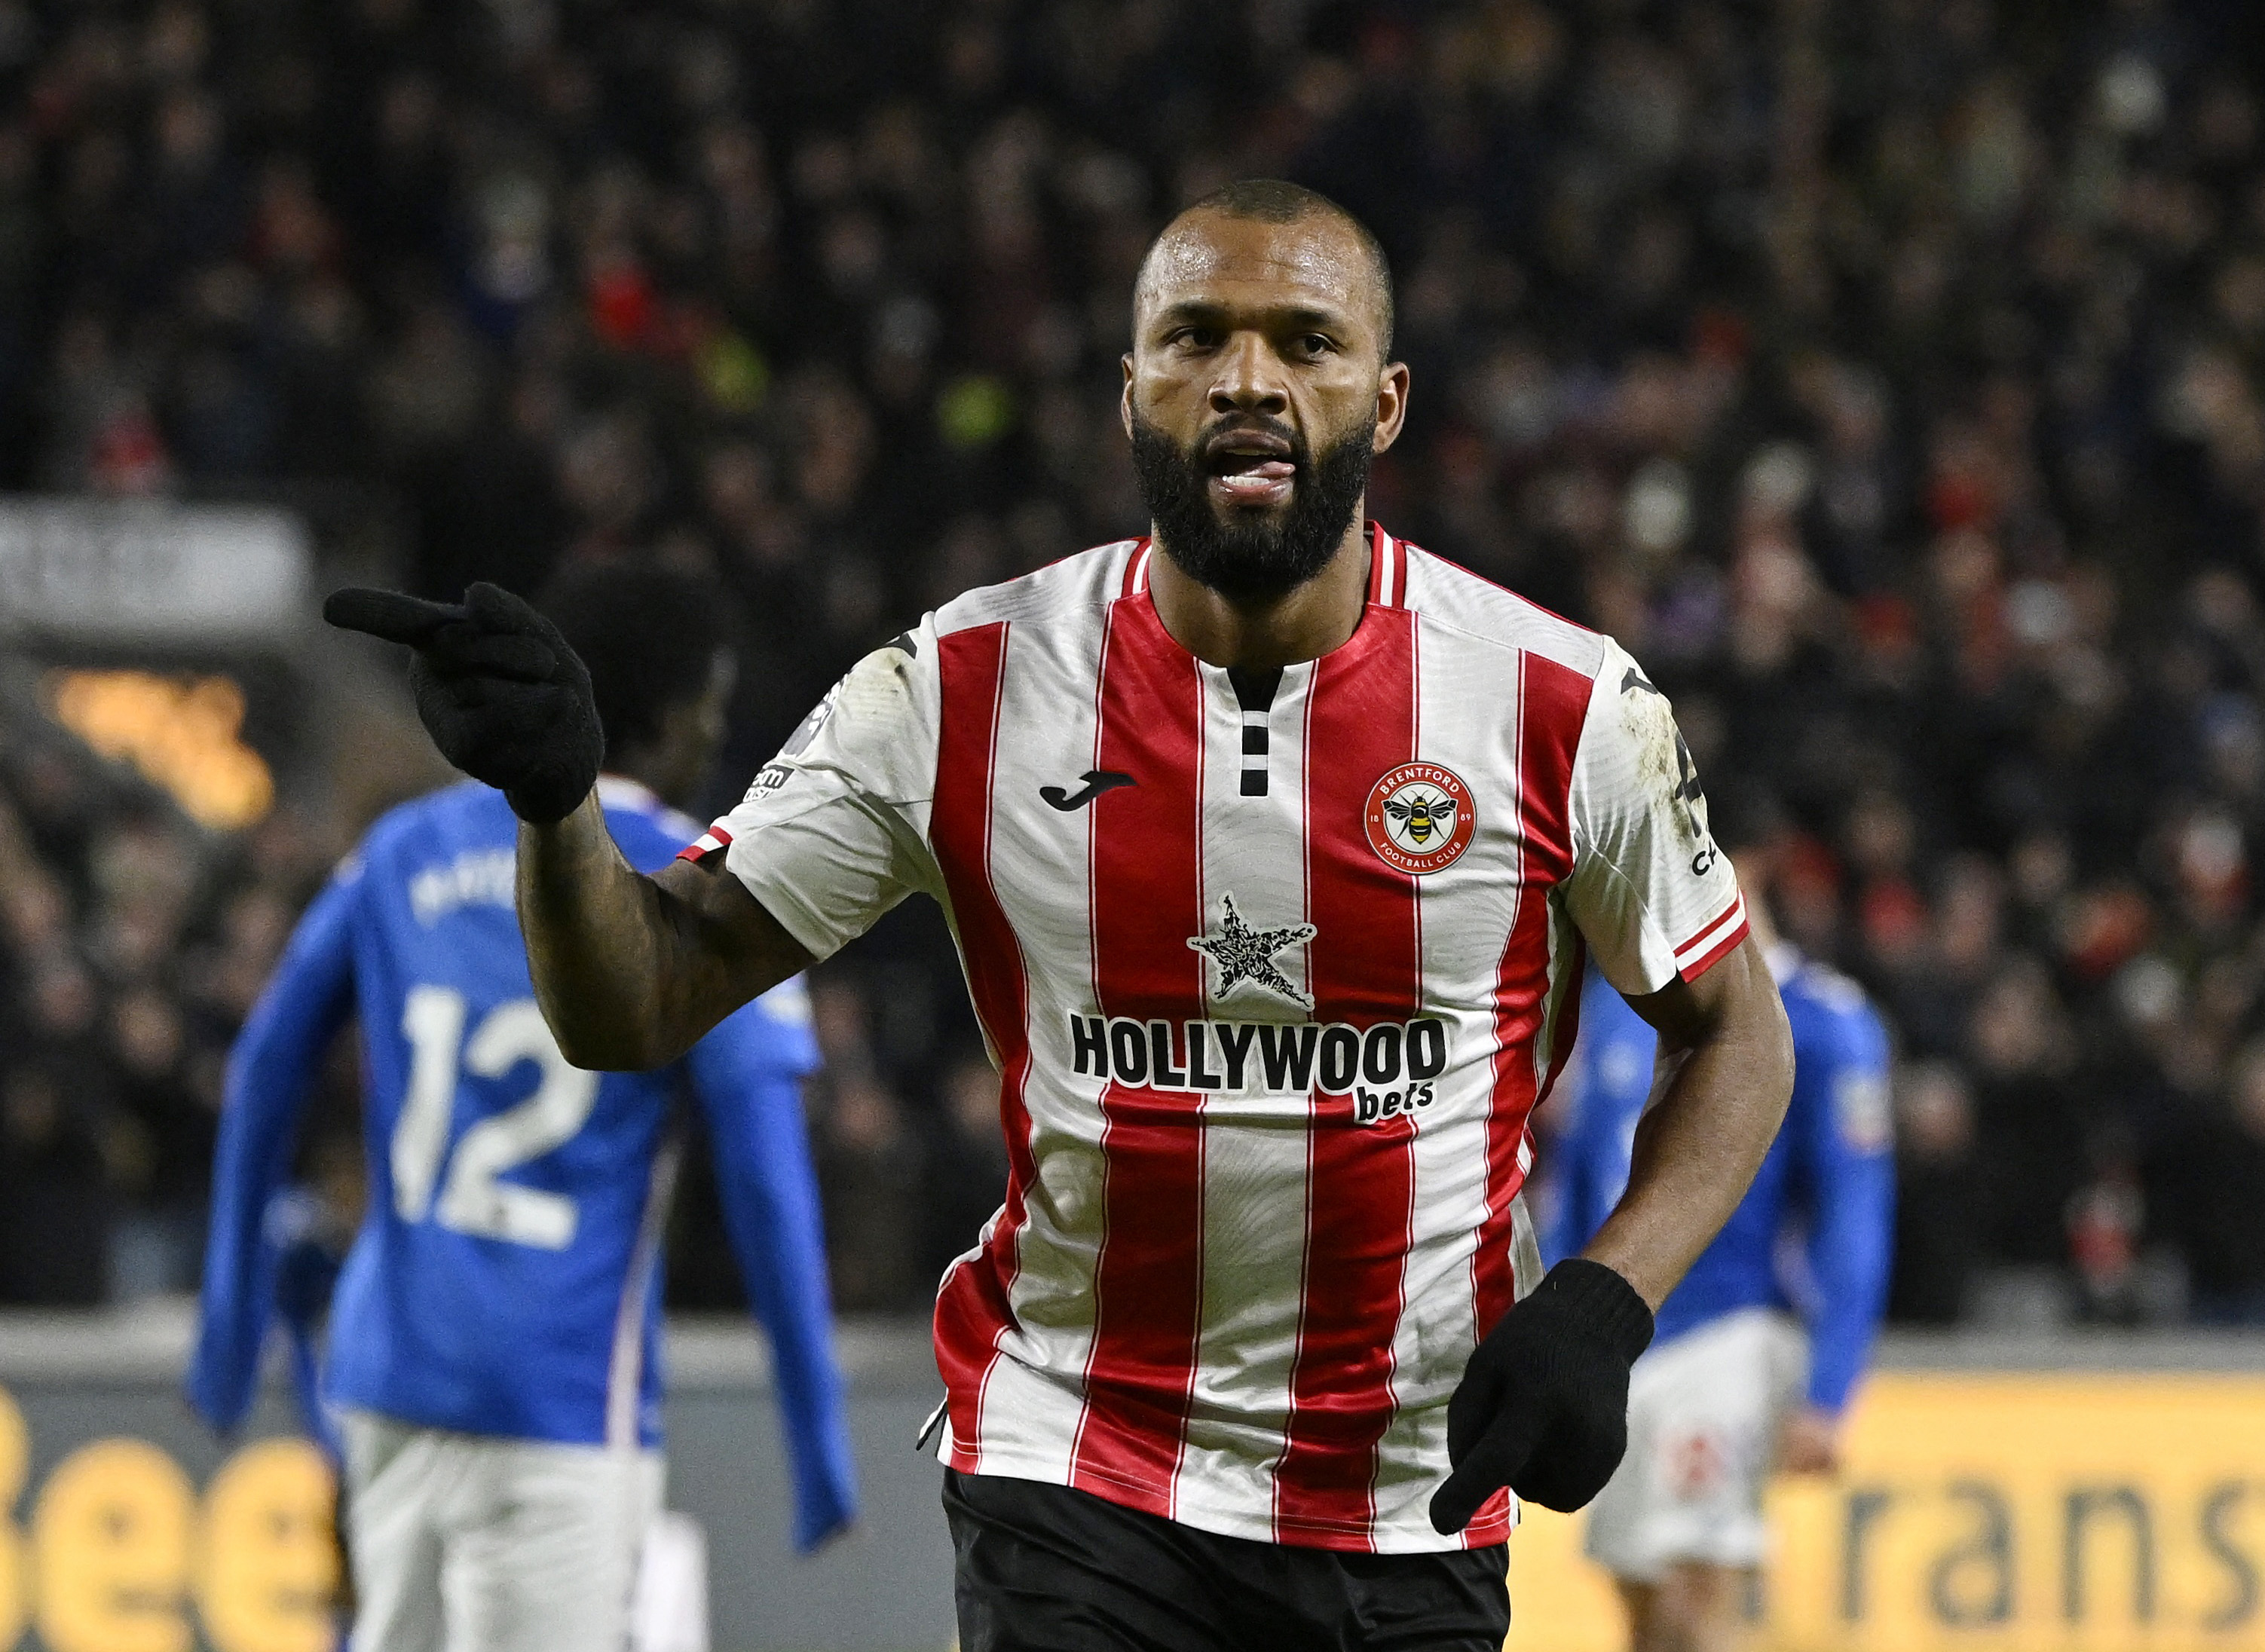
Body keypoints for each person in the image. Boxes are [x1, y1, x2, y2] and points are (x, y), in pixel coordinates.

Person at [329, 179, 1794, 1652]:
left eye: (1305, 342)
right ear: (1130, 389)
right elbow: (636, 996)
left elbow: (1737, 1033)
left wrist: (1610, 1297)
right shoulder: (961, 683)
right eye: (1195, 336)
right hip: (1072, 1471)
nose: (1247, 381)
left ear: (1389, 399)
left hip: (1405, 1492)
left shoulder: (1556, 704)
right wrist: (555, 806)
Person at [188, 563, 856, 1652]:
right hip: (560, 1401)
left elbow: (266, 1060)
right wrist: (816, 1431)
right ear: (677, 713)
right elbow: (766, 1179)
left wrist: (229, 1318)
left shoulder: (400, 850)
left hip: (386, 1386)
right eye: (713, 708)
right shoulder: (713, 884)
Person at [1544, 797, 1895, 1652]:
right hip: (1618, 1338)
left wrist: (1831, 1381)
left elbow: (1855, 1212)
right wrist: (1547, 1326)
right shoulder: (1614, 1003)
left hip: (1731, 1333)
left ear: (1748, 865)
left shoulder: (1823, 1020)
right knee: (1641, 1600)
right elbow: (1579, 1182)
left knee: (1695, 1596)